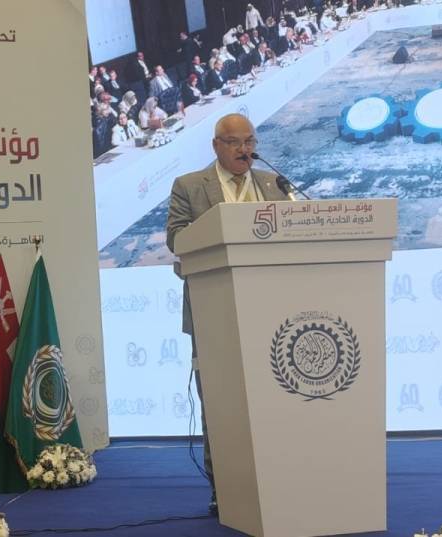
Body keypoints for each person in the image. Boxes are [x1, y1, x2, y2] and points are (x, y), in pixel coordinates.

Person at [165, 114, 286, 517]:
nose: (244, 149)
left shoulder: (274, 185)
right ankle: (226, 488)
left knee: (275, 399)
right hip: (213, 311)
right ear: (216, 145)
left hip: (274, 312)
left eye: (249, 141)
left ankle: (280, 477)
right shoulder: (189, 186)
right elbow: (176, 239)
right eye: (234, 142)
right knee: (221, 405)